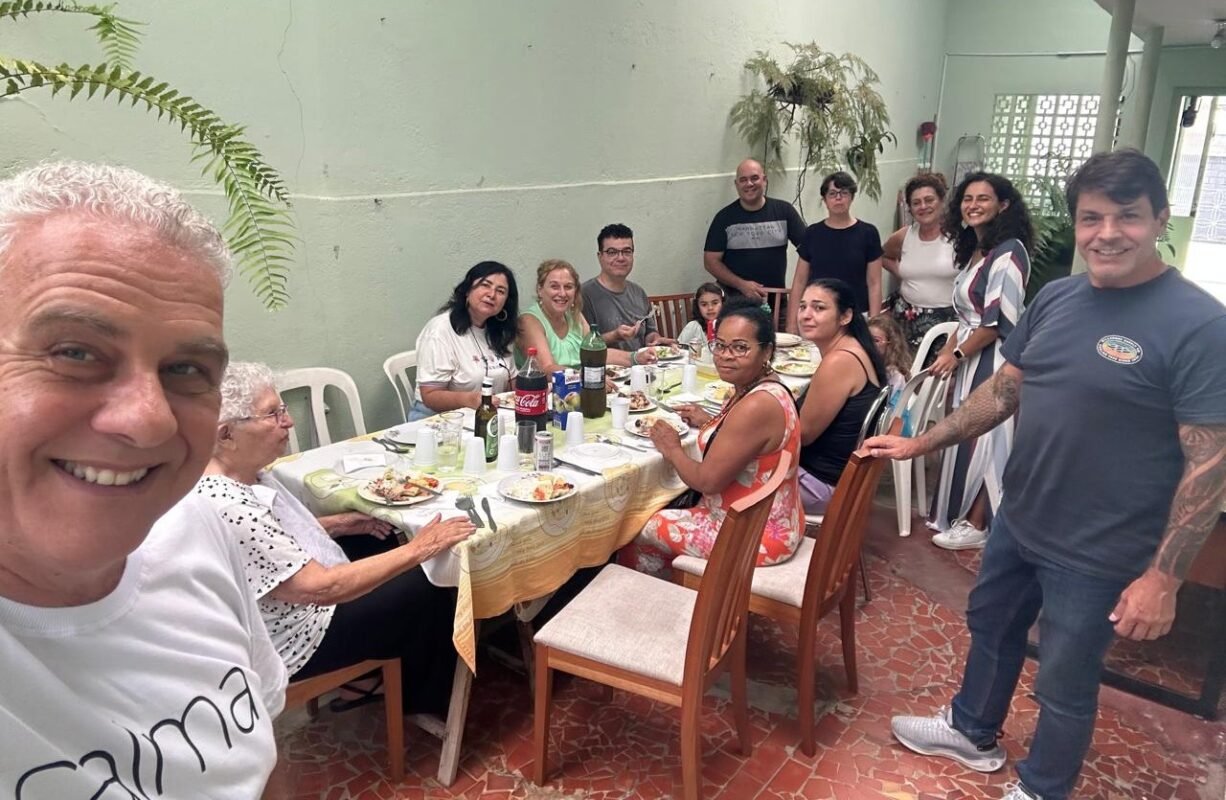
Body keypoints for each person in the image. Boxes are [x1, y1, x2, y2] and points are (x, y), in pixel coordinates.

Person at [866, 148, 1226, 800]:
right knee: (992, 627)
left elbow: (1209, 464)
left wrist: (1164, 578)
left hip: (1102, 545)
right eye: (1091, 218)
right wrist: (922, 441)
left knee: (1065, 676)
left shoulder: (1200, 325)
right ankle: (972, 731)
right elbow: (1003, 391)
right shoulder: (1057, 298)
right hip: (1022, 517)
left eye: (1127, 216)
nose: (1107, 233)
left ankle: (1042, 788)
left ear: (1160, 219)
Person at [0, 162, 286, 797]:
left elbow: (259, 752)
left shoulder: (195, 525)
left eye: (186, 369)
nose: (149, 420)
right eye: (74, 352)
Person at [197, 362, 476, 716]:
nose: (288, 422)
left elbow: (274, 537)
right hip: (298, 634)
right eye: (272, 414)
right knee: (430, 581)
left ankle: (383, 672)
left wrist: (339, 524)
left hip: (298, 597)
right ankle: (422, 698)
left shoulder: (241, 473)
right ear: (225, 434)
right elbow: (320, 587)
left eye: (283, 409)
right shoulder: (228, 504)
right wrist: (420, 548)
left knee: (385, 538)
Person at [622, 299, 802, 575]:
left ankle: (664, 593)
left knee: (639, 526)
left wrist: (672, 448)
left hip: (749, 533)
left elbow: (706, 481)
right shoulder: (764, 386)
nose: (726, 355)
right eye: (720, 345)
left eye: (740, 347)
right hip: (775, 519)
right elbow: (747, 438)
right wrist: (711, 421)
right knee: (664, 504)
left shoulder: (757, 405)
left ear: (766, 351)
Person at [927, 172, 1032, 549]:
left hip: (996, 357)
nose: (973, 205)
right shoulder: (977, 249)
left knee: (989, 437)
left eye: (983, 199)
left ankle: (979, 523)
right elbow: (966, 317)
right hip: (973, 354)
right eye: (967, 199)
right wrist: (949, 349)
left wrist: (957, 355)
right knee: (968, 433)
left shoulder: (1009, 252)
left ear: (1003, 205)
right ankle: (960, 515)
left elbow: (996, 322)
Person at [794, 279, 887, 514]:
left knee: (728, 467)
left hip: (819, 486)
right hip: (835, 478)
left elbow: (802, 435)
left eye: (819, 308)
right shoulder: (856, 348)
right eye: (803, 306)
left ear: (845, 317)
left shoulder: (840, 361)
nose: (806, 315)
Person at [411, 261, 520, 420]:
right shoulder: (440, 330)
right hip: (438, 419)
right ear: (467, 290)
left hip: (486, 417)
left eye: (500, 291)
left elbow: (512, 384)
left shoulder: (500, 331)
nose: (492, 294)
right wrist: (468, 400)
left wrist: (537, 388)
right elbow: (430, 395)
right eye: (485, 285)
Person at [789, 171, 884, 329]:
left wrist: (874, 325)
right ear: (825, 200)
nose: (838, 198)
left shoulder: (868, 233)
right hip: (817, 315)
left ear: (852, 197)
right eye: (832, 193)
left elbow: (874, 283)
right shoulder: (812, 233)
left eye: (844, 193)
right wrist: (792, 324)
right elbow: (799, 281)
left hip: (856, 315)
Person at [703, 158, 806, 302]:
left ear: (764, 180)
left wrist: (800, 287)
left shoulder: (784, 212)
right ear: (736, 184)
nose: (749, 184)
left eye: (754, 178)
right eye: (743, 180)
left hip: (775, 302)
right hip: (735, 303)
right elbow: (710, 261)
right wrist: (741, 285)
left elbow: (809, 250)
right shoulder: (724, 218)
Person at [882, 174, 959, 356]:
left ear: (942, 201)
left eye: (929, 200)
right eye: (916, 203)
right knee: (904, 369)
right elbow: (883, 256)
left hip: (947, 321)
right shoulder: (904, 236)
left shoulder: (959, 237)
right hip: (906, 317)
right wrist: (902, 273)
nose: (923, 206)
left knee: (937, 372)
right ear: (909, 208)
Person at [516, 259, 638, 373]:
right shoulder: (528, 321)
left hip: (580, 383)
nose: (562, 293)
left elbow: (596, 352)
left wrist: (636, 357)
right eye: (554, 286)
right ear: (540, 290)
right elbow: (546, 368)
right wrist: (586, 378)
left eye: (568, 287)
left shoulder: (574, 315)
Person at [581, 223, 674, 354]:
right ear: (600, 256)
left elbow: (649, 332)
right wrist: (614, 336)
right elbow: (582, 345)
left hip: (643, 363)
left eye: (626, 252)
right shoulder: (584, 295)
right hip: (606, 365)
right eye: (612, 252)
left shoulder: (639, 292)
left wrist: (655, 340)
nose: (621, 258)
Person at [868, 313, 913, 401]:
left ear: (891, 345)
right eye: (867, 339)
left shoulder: (894, 374)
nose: (870, 344)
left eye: (876, 340)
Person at [676, 282, 724, 352]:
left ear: (723, 303)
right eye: (704, 304)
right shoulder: (693, 326)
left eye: (715, 303)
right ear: (697, 307)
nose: (710, 308)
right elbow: (680, 350)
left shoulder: (729, 326)